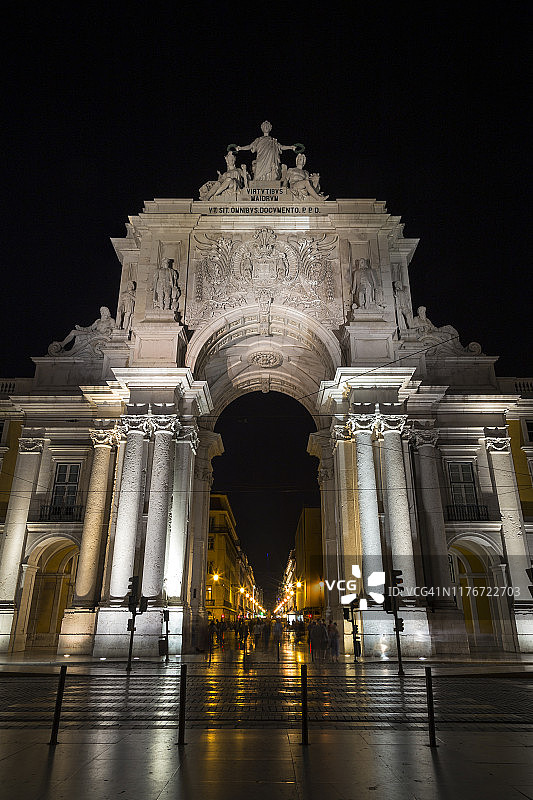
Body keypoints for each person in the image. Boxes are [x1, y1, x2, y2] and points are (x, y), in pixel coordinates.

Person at [48, 306, 115, 357]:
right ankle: (62, 344)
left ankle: (71, 352)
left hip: (98, 336)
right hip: (92, 333)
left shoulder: (111, 320)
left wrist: (108, 331)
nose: (102, 312)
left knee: (79, 337)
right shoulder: (98, 321)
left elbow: (114, 330)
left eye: (103, 311)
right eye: (101, 311)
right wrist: (80, 328)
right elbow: (90, 328)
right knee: (73, 332)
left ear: (107, 312)